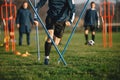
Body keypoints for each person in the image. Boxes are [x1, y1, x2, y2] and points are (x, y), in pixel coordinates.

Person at [35, 0, 75, 65]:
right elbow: (39, 5)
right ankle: (46, 58)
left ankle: (49, 43)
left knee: (56, 42)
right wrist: (35, 18)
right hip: (51, 18)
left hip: (61, 20)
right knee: (49, 36)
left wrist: (70, 20)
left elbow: (73, 9)